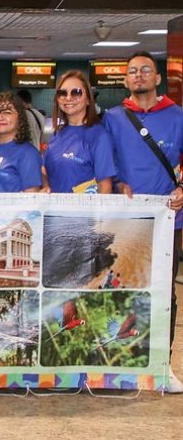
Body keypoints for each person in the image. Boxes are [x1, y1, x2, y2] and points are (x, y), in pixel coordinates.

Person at [102, 51, 183, 393]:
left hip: (168, 220)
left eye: (145, 70)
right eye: (132, 71)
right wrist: (120, 183)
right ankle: (119, 357)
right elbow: (106, 161)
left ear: (158, 78)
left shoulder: (178, 116)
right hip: (125, 220)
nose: (139, 75)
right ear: (125, 80)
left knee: (163, 292)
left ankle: (162, 364)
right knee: (122, 286)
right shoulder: (113, 118)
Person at [43, 70, 115, 193]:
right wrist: (45, 186)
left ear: (88, 100)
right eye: (62, 93)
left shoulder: (99, 136)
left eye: (76, 92)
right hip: (53, 205)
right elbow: (45, 169)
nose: (68, 98)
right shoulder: (57, 133)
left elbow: (105, 187)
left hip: (83, 206)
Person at [0, 92, 42, 193]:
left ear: (20, 117)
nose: (0, 117)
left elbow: (32, 198)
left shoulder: (28, 154)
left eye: (7, 112)